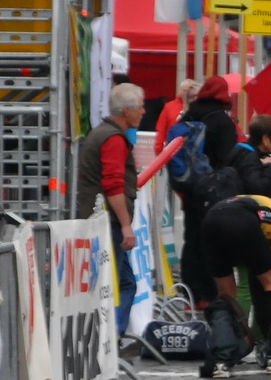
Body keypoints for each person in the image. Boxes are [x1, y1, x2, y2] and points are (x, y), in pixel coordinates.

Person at [199, 192, 271, 377]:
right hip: (242, 219)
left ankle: (221, 360)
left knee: (226, 296)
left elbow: (258, 296)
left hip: (211, 219)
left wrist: (257, 336)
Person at [76, 82, 145, 332]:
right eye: (140, 107)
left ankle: (111, 339)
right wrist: (127, 225)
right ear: (127, 110)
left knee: (124, 282)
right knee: (116, 283)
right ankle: (110, 339)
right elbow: (113, 185)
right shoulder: (114, 139)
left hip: (99, 218)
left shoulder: (102, 132)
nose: (143, 112)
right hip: (107, 222)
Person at [178, 74, 240, 304]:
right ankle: (209, 294)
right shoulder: (222, 122)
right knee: (212, 244)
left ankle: (189, 295)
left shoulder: (188, 115)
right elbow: (228, 158)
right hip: (214, 192)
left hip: (190, 190)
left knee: (191, 241)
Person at [227, 114, 271, 199]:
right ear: (266, 139)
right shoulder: (249, 158)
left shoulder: (239, 151)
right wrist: (269, 167)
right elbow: (259, 190)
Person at [154, 78, 199, 151]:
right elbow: (161, 130)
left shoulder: (199, 108)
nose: (187, 93)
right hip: (172, 149)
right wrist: (159, 151)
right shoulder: (169, 107)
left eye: (190, 91)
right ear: (181, 91)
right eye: (185, 90)